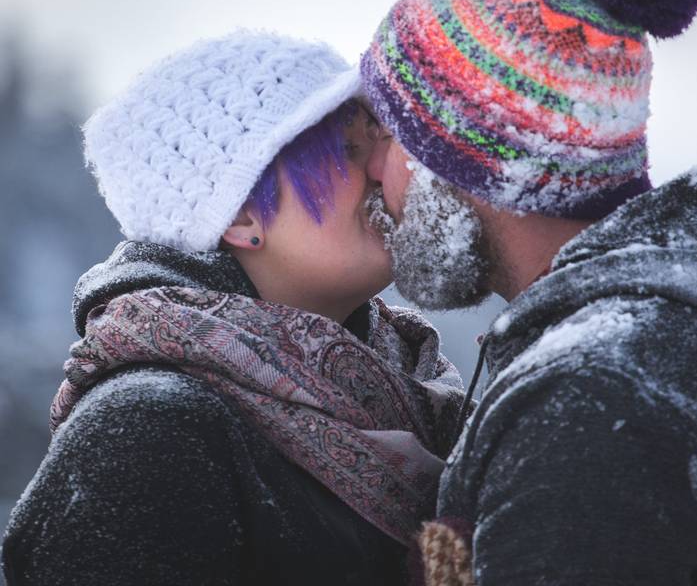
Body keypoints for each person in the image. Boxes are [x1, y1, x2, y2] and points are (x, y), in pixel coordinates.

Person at [359, 0, 697, 584]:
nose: (372, 171)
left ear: (476, 155)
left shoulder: (595, 401)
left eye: (388, 135)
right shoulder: (680, 340)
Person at [1, 31, 465, 585]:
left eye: (383, 137)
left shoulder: (407, 387)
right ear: (242, 215)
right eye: (348, 149)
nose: (388, 168)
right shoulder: (149, 431)